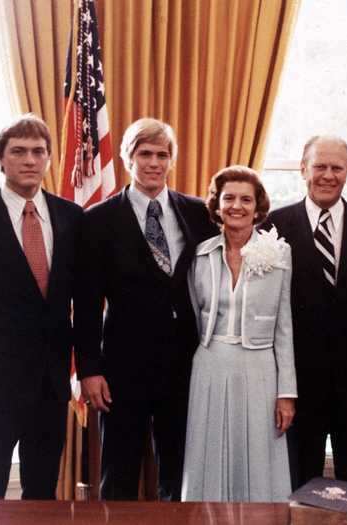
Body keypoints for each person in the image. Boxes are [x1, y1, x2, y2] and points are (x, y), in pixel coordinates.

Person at [74, 118, 218, 500]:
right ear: (127, 158)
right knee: (119, 475)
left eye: (162, 154)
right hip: (122, 369)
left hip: (186, 365)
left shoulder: (199, 213)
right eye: (145, 154)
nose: (154, 162)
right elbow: (87, 303)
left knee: (180, 474)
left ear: (171, 160)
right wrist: (89, 370)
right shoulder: (97, 220)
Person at [0, 115, 83, 499]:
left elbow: (83, 296)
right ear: (1, 159)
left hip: (50, 385)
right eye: (18, 151)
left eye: (38, 151)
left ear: (49, 158)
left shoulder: (72, 218)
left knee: (42, 493)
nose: (29, 160)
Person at [263, 135, 347, 487]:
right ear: (303, 169)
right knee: (300, 480)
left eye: (337, 167)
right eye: (320, 166)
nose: (328, 175)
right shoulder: (274, 225)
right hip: (299, 380)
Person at [181, 165, 296, 502]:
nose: (237, 206)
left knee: (259, 454)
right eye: (228, 198)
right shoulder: (200, 255)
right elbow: (192, 315)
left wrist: (286, 392)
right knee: (209, 450)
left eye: (246, 199)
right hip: (210, 366)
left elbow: (284, 327)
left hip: (260, 369)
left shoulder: (279, 253)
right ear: (216, 206)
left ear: (258, 207)